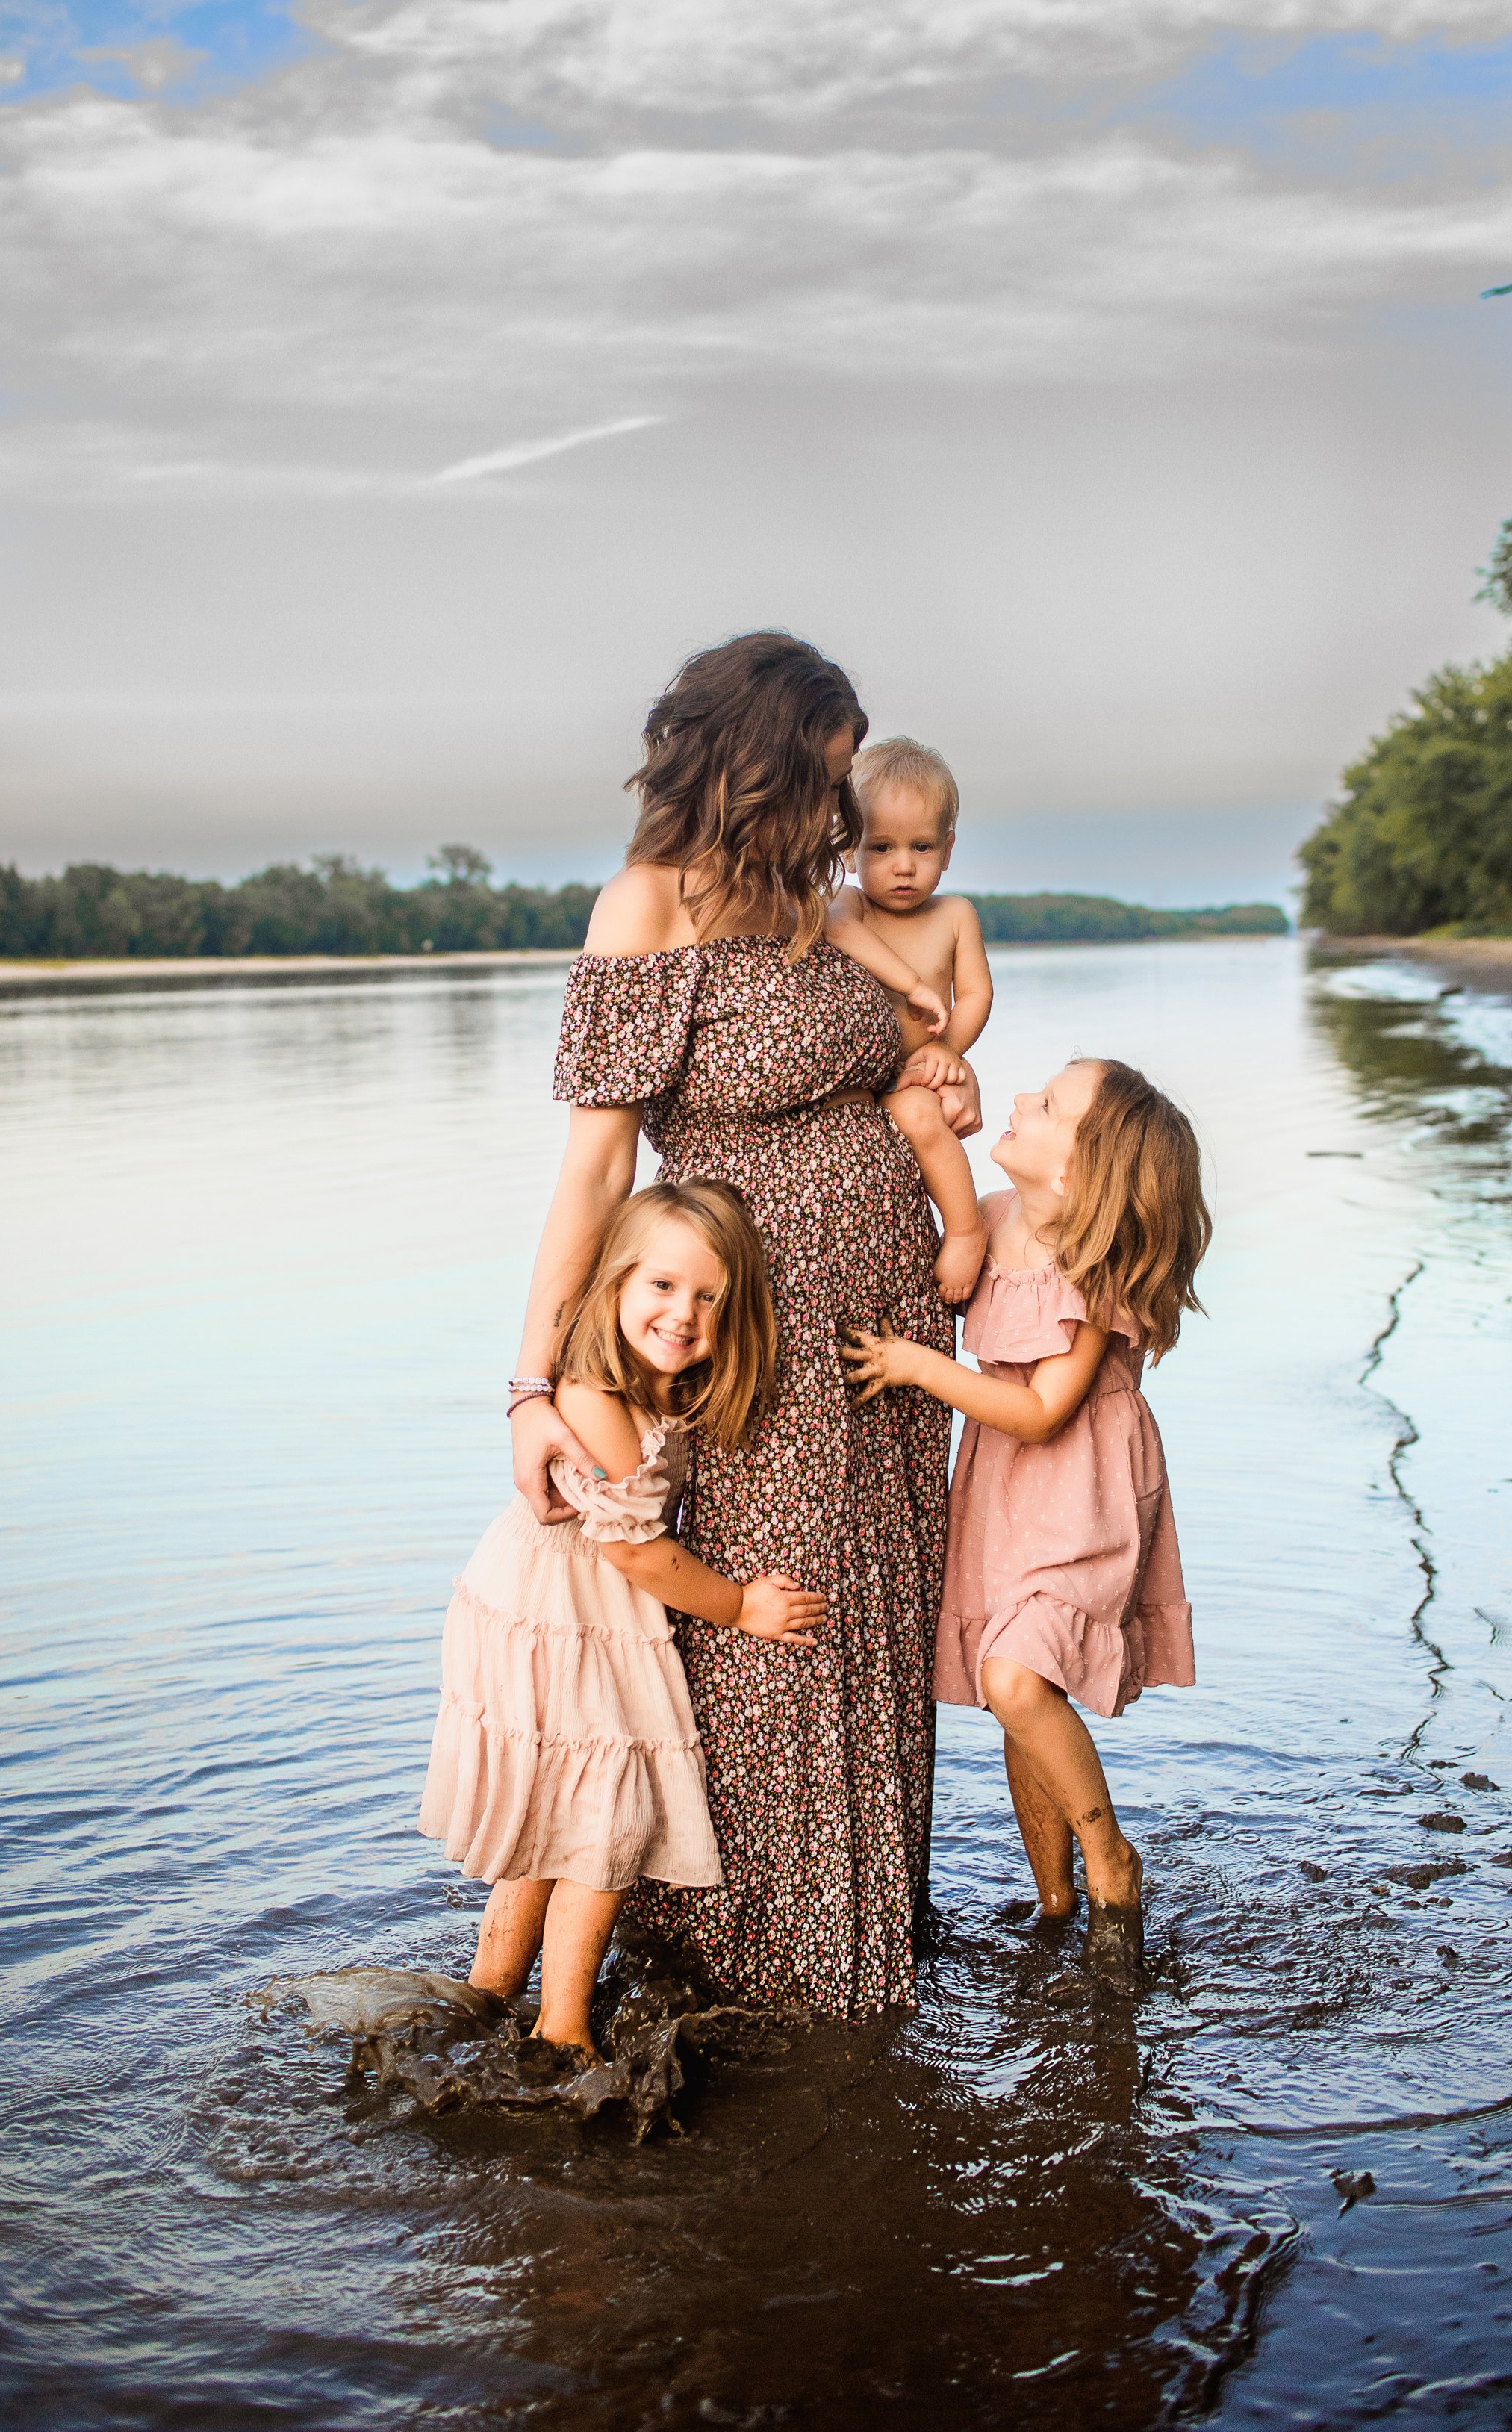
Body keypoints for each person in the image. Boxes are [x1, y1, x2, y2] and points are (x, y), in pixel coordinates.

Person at [506, 632, 958, 2021]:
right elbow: (597, 1166)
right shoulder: (646, 905)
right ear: (754, 759)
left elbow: (903, 1045)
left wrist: (934, 1069)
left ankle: (878, 1928)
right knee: (772, 1636)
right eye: (821, 772)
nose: (840, 807)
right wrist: (533, 1382)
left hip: (888, 1335)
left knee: (879, 1622)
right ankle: (762, 1967)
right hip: (753, 1329)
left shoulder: (819, 904)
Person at [418, 1181, 825, 2055]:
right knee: (606, 1820)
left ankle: (489, 1990)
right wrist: (740, 1604)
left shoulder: (644, 1386)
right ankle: (563, 2031)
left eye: (709, 1297)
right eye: (663, 1286)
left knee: (551, 1814)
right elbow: (637, 1553)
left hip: (548, 1606)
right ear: (612, 1288)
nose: (684, 1313)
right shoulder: (595, 1395)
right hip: (557, 1611)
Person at [842, 1059, 1207, 1987]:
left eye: (1044, 1106)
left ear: (1080, 1175)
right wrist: (924, 1103)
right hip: (1004, 1487)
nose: (1017, 1101)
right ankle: (1053, 1901)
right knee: (1022, 1695)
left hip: (1080, 1485)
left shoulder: (1089, 1267)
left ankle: (1110, 1858)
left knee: (1013, 1675)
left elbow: (1046, 1410)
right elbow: (921, 1138)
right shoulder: (995, 1217)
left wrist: (919, 1366)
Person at [826, 737, 992, 1304]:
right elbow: (839, 933)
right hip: (855, 1083)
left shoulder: (954, 915)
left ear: (947, 850)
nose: (903, 866)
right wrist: (913, 984)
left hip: (914, 1073)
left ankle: (966, 1229)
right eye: (881, 848)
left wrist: (953, 1050)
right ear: (850, 849)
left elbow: (973, 993)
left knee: (923, 1115)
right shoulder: (851, 905)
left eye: (922, 847)